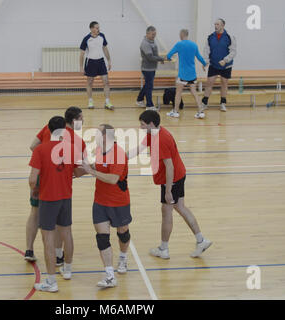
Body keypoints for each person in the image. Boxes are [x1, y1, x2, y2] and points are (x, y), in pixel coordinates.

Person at [128, 110, 212, 259]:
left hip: (172, 178)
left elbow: (170, 167)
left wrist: (168, 191)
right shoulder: (152, 133)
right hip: (178, 175)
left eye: (142, 124)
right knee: (179, 207)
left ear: (151, 124)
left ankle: (164, 249)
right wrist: (117, 156)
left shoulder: (162, 139)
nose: (140, 127)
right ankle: (201, 240)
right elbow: (138, 150)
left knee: (167, 211)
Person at [26, 107, 85, 266]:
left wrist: (42, 159)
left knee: (34, 213)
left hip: (40, 176)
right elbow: (81, 168)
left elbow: (33, 146)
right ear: (74, 121)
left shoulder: (49, 127)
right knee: (61, 225)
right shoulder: (78, 141)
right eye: (81, 119)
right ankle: (59, 257)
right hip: (61, 183)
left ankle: (29, 250)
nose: (83, 122)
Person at [80, 124, 131, 288]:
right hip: (100, 202)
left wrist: (91, 172)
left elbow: (113, 179)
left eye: (97, 132)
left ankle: (123, 257)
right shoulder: (100, 150)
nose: (94, 135)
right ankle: (109, 275)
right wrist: (77, 172)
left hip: (119, 201)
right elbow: (97, 166)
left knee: (123, 233)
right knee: (102, 238)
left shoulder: (118, 153)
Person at [166, 29, 207, 119]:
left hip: (183, 75)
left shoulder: (179, 44)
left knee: (178, 93)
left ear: (181, 34)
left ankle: (175, 112)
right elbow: (199, 57)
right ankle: (201, 112)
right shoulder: (194, 45)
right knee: (194, 93)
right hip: (192, 74)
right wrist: (204, 64)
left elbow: (169, 55)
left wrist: (169, 58)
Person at [201, 18, 237, 113]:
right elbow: (206, 50)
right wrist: (205, 62)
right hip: (214, 64)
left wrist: (225, 60)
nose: (215, 26)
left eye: (217, 24)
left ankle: (223, 104)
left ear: (222, 25)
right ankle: (204, 103)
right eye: (215, 24)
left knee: (224, 83)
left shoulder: (230, 37)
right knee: (209, 82)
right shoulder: (210, 37)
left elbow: (233, 51)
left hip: (226, 66)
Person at [80, 21, 114, 110]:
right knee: (90, 83)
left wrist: (109, 60)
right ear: (91, 28)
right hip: (90, 62)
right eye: (96, 28)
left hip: (101, 62)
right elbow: (82, 54)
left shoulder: (102, 36)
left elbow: (105, 49)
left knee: (106, 82)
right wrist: (81, 67)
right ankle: (90, 101)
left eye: (99, 27)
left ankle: (107, 102)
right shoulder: (86, 39)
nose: (98, 29)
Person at [136, 26, 165, 110]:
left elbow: (155, 54)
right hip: (147, 69)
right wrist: (161, 59)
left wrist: (160, 59)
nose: (154, 36)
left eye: (155, 34)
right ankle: (149, 105)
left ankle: (139, 99)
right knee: (149, 87)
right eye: (152, 34)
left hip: (152, 68)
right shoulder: (145, 43)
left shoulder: (152, 41)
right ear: (147, 33)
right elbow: (150, 57)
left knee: (147, 85)